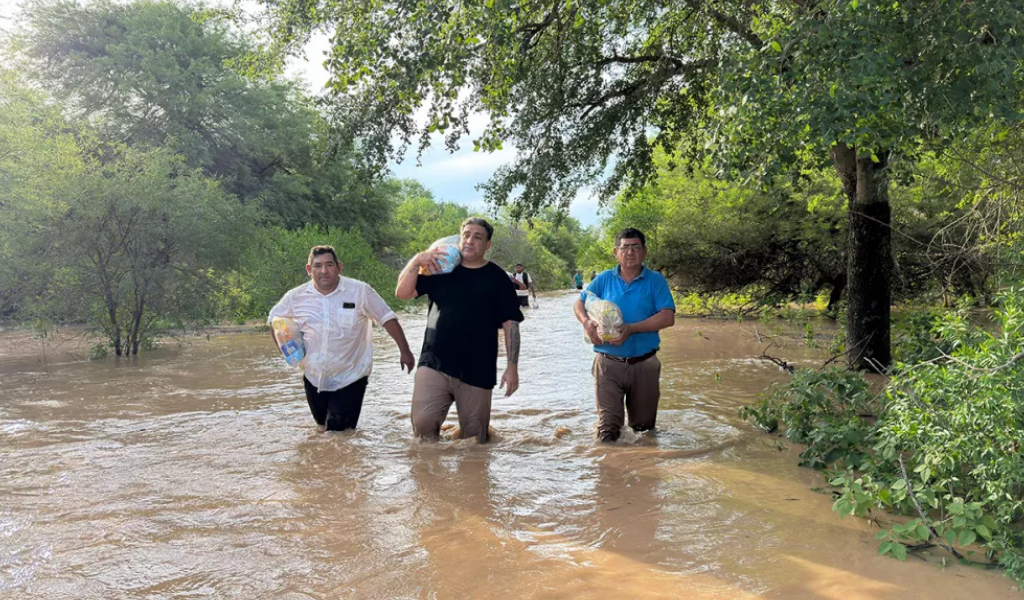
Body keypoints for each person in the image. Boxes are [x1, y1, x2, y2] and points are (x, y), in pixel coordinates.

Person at [396, 217, 524, 442]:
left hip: (478, 368)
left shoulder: (498, 278)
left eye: (478, 237)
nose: (470, 240)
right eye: (466, 234)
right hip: (434, 362)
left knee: (474, 439)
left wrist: (512, 366)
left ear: (487, 245)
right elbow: (402, 293)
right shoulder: (439, 268)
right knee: (423, 430)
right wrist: (417, 260)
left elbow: (510, 324)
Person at [269, 245, 415, 432]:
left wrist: (405, 351)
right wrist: (286, 351)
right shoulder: (295, 297)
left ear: (339, 266)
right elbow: (274, 320)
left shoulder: (360, 291)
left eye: (329, 265)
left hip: (351, 375)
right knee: (322, 428)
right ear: (309, 270)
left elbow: (387, 318)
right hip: (314, 377)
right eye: (318, 266)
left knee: (338, 433)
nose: (324, 271)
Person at [573, 228, 675, 442]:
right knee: (608, 431)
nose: (630, 252)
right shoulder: (604, 279)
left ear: (644, 251)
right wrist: (587, 323)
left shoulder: (655, 280)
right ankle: (610, 473)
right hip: (608, 364)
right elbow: (580, 302)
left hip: (644, 364)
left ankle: (643, 472)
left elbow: (667, 317)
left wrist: (631, 328)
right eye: (625, 247)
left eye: (635, 247)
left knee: (644, 431)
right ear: (615, 252)